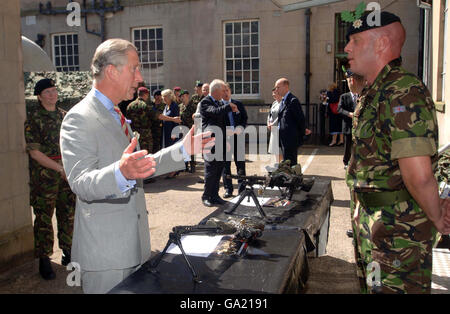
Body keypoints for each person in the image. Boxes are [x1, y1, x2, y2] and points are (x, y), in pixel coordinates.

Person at [59, 38, 214, 294]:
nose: (140, 77)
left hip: (135, 246)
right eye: (135, 68)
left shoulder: (116, 114)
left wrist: (182, 150)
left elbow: (139, 166)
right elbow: (81, 183)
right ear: (111, 71)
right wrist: (120, 173)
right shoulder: (79, 117)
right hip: (107, 256)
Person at [345, 12, 450, 294]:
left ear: (381, 44)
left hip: (397, 232)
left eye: (355, 40)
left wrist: (437, 216)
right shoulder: (375, 91)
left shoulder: (403, 91)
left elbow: (418, 175)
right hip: (374, 223)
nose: (347, 48)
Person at [24, 78, 76, 280]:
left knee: (68, 214)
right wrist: (59, 168)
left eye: (54, 91)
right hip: (44, 177)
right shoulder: (34, 118)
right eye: (47, 92)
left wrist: (68, 169)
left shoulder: (65, 116)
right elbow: (34, 152)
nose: (52, 95)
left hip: (66, 173)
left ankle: (68, 251)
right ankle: (44, 258)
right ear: (39, 96)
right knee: (44, 218)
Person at [200, 79, 238, 207]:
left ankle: (215, 195)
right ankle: (206, 196)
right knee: (210, 170)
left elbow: (224, 120)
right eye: (223, 90)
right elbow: (214, 112)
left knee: (219, 169)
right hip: (210, 141)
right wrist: (228, 106)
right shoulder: (205, 102)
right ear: (216, 90)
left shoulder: (220, 103)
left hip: (221, 140)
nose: (224, 93)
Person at [221, 82, 248, 198]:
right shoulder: (219, 107)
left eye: (227, 90)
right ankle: (228, 189)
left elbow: (244, 118)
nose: (226, 93)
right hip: (225, 139)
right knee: (225, 166)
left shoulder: (238, 104)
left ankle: (242, 190)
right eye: (223, 91)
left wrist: (240, 129)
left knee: (240, 165)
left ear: (230, 91)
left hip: (238, 138)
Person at [273, 78, 306, 166]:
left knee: (291, 163)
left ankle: (293, 179)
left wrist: (300, 136)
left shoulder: (292, 101)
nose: (276, 90)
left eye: (278, 87)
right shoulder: (283, 101)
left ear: (286, 87)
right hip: (284, 137)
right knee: (286, 162)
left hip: (290, 138)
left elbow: (300, 119)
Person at [337, 70, 365, 168]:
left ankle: (356, 162)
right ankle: (346, 162)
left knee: (357, 146)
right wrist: (349, 114)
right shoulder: (344, 96)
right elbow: (339, 109)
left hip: (359, 126)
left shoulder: (362, 96)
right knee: (347, 146)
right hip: (348, 125)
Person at [126, 86, 153, 153]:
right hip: (145, 135)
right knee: (147, 153)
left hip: (134, 134)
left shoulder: (130, 105)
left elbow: (128, 121)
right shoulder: (145, 105)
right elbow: (154, 116)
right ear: (145, 94)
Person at [179, 89, 197, 172]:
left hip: (191, 130)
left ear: (187, 96)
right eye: (180, 97)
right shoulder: (180, 106)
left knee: (191, 148)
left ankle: (192, 165)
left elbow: (196, 119)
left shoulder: (193, 106)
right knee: (184, 148)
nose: (181, 98)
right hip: (182, 130)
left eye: (183, 96)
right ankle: (185, 165)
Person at [267, 87, 282, 164]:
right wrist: (268, 123)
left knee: (279, 148)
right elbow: (270, 114)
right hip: (273, 129)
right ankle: (277, 163)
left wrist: (273, 124)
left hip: (279, 128)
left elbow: (281, 116)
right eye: (272, 93)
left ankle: (280, 164)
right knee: (275, 148)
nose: (273, 94)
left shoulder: (283, 103)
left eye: (274, 93)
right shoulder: (274, 103)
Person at [149, 89, 164, 153]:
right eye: (156, 95)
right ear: (154, 96)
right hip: (152, 128)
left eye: (159, 95)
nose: (158, 97)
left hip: (161, 129)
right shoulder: (150, 105)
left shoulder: (164, 105)